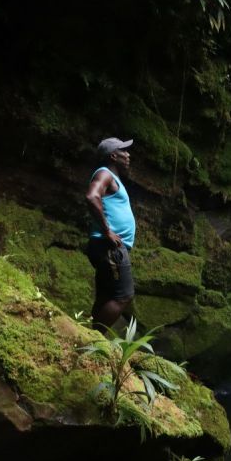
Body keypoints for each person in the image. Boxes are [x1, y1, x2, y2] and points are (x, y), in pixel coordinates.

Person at [85, 137, 137, 333]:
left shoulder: (113, 179)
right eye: (124, 151)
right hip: (109, 246)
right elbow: (91, 196)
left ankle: (89, 336)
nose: (128, 154)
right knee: (124, 295)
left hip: (104, 246)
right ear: (114, 155)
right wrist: (107, 231)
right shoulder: (104, 174)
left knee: (106, 296)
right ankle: (94, 337)